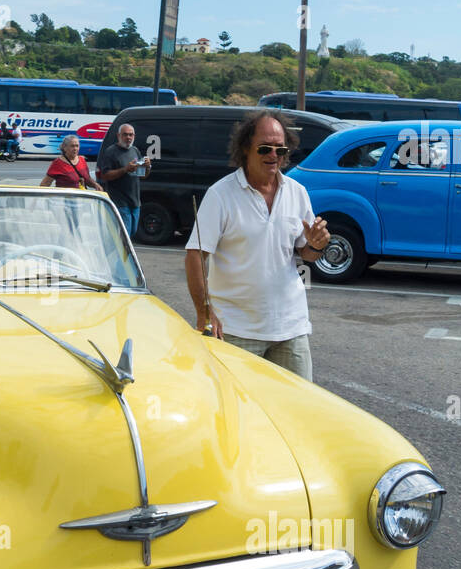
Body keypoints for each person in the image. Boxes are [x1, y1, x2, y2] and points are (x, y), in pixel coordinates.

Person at [184, 110, 331, 381]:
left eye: (280, 148)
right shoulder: (221, 194)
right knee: (239, 413)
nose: (273, 155)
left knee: (295, 413)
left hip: (291, 329)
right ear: (245, 149)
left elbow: (305, 254)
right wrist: (204, 312)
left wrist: (317, 245)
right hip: (236, 331)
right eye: (264, 148)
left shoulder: (297, 193)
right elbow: (195, 255)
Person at [97, 122, 151, 236]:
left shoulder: (134, 150)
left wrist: (147, 167)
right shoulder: (111, 152)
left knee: (132, 231)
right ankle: (119, 254)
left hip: (135, 201)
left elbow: (142, 175)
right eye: (125, 134)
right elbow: (105, 175)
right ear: (118, 136)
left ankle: (118, 252)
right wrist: (125, 169)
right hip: (120, 201)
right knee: (124, 235)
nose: (128, 137)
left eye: (131, 135)